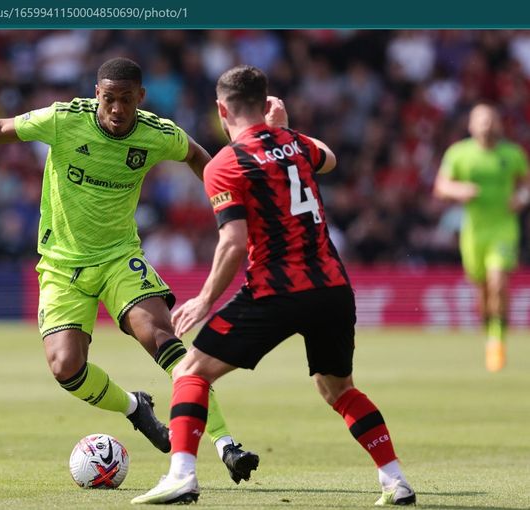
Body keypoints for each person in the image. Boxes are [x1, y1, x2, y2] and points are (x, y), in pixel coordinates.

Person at [0, 57, 259, 482]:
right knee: (66, 369)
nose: (117, 110)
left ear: (141, 98)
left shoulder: (156, 133)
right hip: (61, 266)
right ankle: (135, 408)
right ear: (97, 94)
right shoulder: (63, 120)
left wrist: (227, 207)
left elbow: (197, 156)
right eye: (110, 99)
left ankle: (226, 444)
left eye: (127, 101)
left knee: (162, 338)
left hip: (118, 258)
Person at [132, 65, 416, 506]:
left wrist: (205, 299)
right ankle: (395, 479)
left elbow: (232, 242)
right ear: (267, 105)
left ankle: (181, 475)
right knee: (339, 389)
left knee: (190, 372)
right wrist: (280, 130)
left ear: (221, 109)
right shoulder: (299, 145)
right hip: (333, 289)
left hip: (277, 291)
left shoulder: (225, 163)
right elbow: (330, 156)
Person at [434, 103, 530, 372]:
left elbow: (526, 185)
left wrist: (521, 198)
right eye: (481, 120)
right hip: (474, 232)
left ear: (498, 124)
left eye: (491, 120)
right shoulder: (459, 153)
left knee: (498, 280)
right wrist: (459, 189)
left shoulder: (512, 154)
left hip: (503, 228)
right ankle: (489, 332)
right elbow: (440, 187)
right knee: (483, 290)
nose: (487, 125)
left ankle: (497, 341)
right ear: (471, 126)